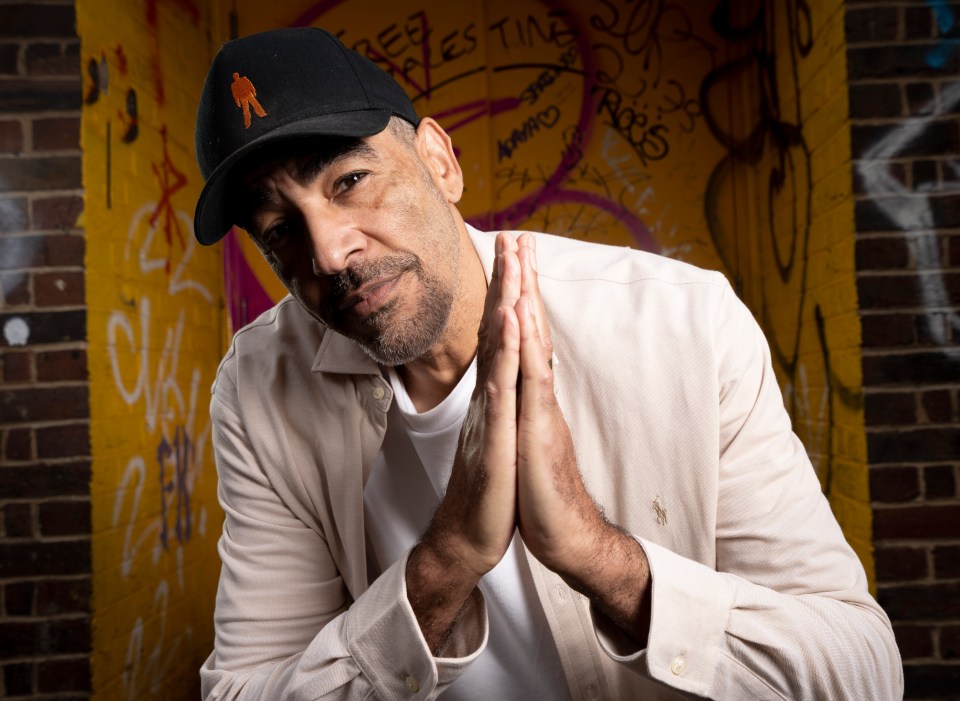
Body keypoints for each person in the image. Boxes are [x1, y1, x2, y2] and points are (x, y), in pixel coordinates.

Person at [193, 27, 902, 700]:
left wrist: (601, 558)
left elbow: (862, 671)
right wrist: (441, 566)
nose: (328, 253)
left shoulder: (680, 324)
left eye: (349, 181)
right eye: (281, 230)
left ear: (440, 162)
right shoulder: (260, 389)